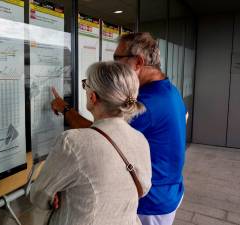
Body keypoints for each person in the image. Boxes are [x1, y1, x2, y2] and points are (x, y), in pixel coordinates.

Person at [50, 32, 187, 225]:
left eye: (117, 58)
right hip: (167, 190)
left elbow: (100, 134)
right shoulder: (168, 90)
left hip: (150, 202)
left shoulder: (146, 104)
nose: (113, 64)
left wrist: (65, 109)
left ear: (138, 62)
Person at [30, 61, 152, 225]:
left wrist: (54, 196)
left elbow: (39, 195)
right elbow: (143, 189)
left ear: (92, 97)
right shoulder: (140, 139)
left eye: (85, 85)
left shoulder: (73, 142)